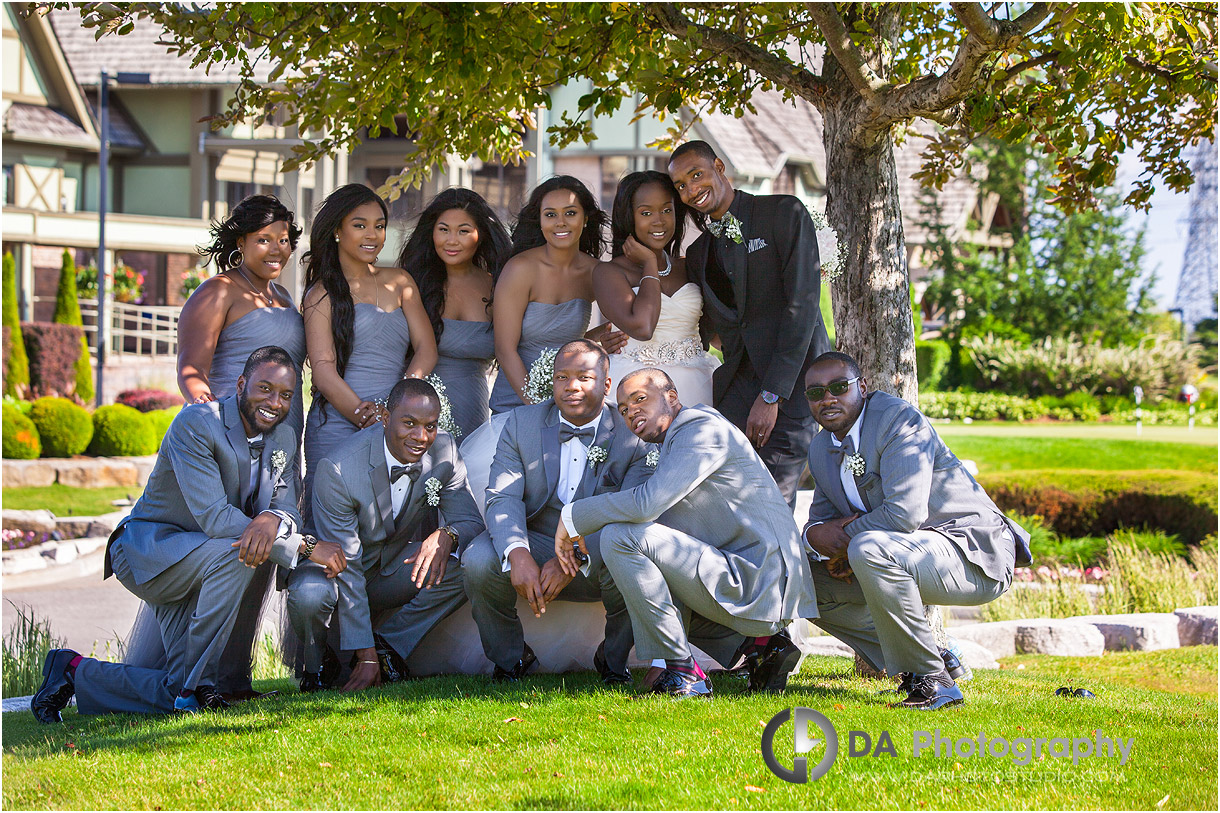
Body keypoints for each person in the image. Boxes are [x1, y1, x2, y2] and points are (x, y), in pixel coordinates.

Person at [30, 347, 345, 722]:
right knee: (238, 552)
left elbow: (288, 508)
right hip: (151, 553)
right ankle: (197, 688)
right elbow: (214, 517)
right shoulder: (197, 423)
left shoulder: (285, 438)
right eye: (265, 389)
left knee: (177, 686)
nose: (275, 403)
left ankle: (72, 670)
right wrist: (306, 546)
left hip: (203, 563)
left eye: (286, 395)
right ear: (241, 384)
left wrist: (273, 519)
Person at [556, 368, 817, 698]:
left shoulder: (699, 428)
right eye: (622, 409)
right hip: (752, 576)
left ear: (671, 397)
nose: (630, 411)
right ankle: (761, 647)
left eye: (640, 399)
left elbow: (646, 504)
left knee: (619, 538)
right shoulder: (676, 440)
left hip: (762, 582)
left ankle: (684, 672)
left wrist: (573, 517)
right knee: (643, 552)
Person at [138, 193, 306, 702]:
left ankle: (233, 679)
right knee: (231, 548)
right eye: (264, 239)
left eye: (284, 240)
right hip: (228, 444)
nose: (276, 248)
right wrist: (213, 423)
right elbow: (191, 368)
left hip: (277, 442)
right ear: (240, 242)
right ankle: (186, 678)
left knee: (260, 550)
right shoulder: (218, 292)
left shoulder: (285, 301)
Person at [800, 352, 1032, 710]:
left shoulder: (897, 420)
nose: (828, 398)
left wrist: (844, 540)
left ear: (861, 387)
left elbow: (904, 514)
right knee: (802, 580)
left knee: (869, 549)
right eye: (816, 393)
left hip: (971, 552)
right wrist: (812, 539)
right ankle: (934, 656)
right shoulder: (820, 448)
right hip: (904, 553)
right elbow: (820, 522)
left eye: (838, 387)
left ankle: (934, 682)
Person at [463, 340, 652, 683]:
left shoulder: (632, 433)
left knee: (634, 554)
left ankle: (613, 660)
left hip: (600, 548)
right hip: (536, 541)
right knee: (478, 559)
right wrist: (517, 552)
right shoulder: (523, 423)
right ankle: (511, 658)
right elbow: (502, 497)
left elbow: (633, 514)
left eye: (583, 376)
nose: (572, 386)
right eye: (562, 377)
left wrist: (574, 559)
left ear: (606, 385)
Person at [287, 378, 484, 692]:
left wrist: (446, 534)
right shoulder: (338, 469)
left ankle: (388, 646)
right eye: (409, 423)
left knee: (471, 564)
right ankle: (317, 666)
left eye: (430, 426)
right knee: (309, 596)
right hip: (333, 573)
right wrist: (363, 659)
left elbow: (470, 521)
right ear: (384, 418)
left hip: (388, 568)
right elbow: (348, 565)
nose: (421, 437)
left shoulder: (444, 450)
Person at [668, 140, 832, 506]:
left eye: (697, 175)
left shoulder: (782, 213)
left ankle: (782, 564)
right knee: (725, 500)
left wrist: (772, 394)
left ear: (720, 167)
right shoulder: (698, 254)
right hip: (735, 392)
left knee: (772, 499)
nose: (692, 190)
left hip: (790, 387)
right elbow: (706, 323)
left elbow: (802, 305)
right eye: (681, 185)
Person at [460, 176, 625, 511]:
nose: (560, 222)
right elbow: (505, 348)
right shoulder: (521, 269)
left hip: (572, 401)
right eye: (551, 214)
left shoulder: (594, 272)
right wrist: (539, 409)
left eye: (570, 213)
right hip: (518, 405)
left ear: (586, 218)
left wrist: (589, 341)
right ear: (540, 220)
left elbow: (574, 339)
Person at [302, 183, 438, 514]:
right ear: (337, 230)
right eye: (360, 225)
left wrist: (400, 409)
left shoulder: (401, 282)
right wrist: (371, 417)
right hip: (338, 423)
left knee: (395, 521)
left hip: (400, 424)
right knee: (334, 524)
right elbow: (322, 369)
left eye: (379, 225)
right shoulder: (321, 294)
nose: (373, 234)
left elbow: (426, 348)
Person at [595, 170, 719, 406]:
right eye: (646, 212)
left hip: (699, 383)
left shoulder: (689, 265)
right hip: (637, 387)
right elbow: (643, 328)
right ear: (629, 217)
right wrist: (650, 263)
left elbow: (714, 330)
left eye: (666, 210)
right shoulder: (609, 273)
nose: (658, 220)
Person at [398, 188, 511, 439]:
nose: (451, 240)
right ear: (432, 232)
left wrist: (593, 336)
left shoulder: (500, 287)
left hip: (474, 409)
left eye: (463, 231)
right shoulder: (411, 284)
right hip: (418, 411)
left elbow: (530, 338)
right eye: (443, 229)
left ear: (480, 235)